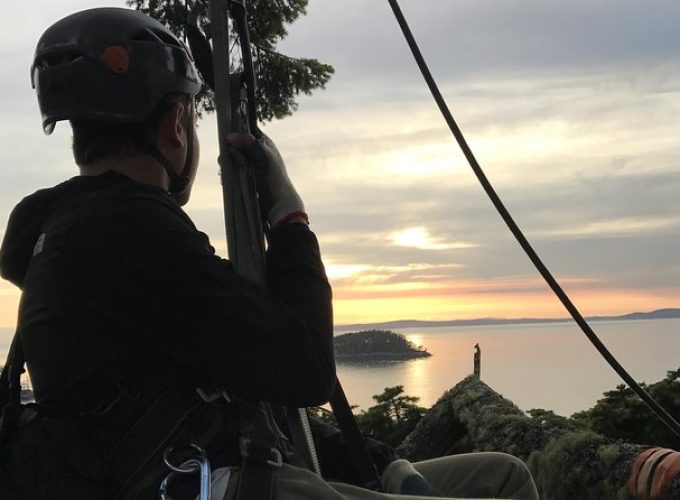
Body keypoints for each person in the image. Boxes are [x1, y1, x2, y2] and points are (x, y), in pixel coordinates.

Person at [0, 7, 539, 500]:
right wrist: (290, 220)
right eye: (189, 114)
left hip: (192, 470)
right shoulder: (130, 229)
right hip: (201, 483)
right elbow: (305, 369)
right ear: (174, 126)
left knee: (501, 475)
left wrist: (384, 461)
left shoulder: (67, 234)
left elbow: (235, 403)